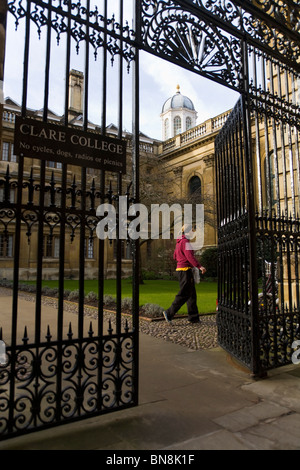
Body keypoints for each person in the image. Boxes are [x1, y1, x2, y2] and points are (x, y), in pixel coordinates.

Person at [163, 225, 206, 324]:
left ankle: (193, 317)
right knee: (184, 294)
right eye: (192, 231)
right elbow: (189, 257)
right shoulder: (185, 242)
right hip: (185, 270)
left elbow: (174, 256)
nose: (193, 233)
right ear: (187, 232)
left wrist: (181, 259)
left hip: (181, 270)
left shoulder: (179, 242)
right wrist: (200, 266)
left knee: (191, 294)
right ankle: (169, 313)